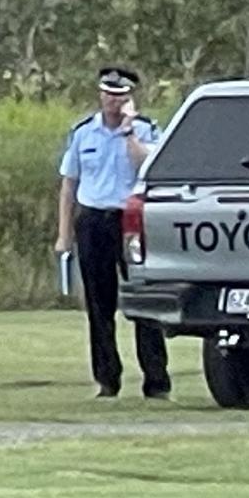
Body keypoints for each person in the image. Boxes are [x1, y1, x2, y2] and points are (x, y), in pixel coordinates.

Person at [54, 66, 171, 400]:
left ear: (129, 98)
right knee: (99, 304)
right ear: (99, 94)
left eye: (120, 95)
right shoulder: (82, 133)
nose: (113, 101)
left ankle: (157, 381)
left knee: (143, 301)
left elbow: (145, 165)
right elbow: (69, 185)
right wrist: (64, 235)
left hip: (130, 220)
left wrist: (129, 132)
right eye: (108, 93)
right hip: (93, 219)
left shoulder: (145, 130)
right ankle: (107, 380)